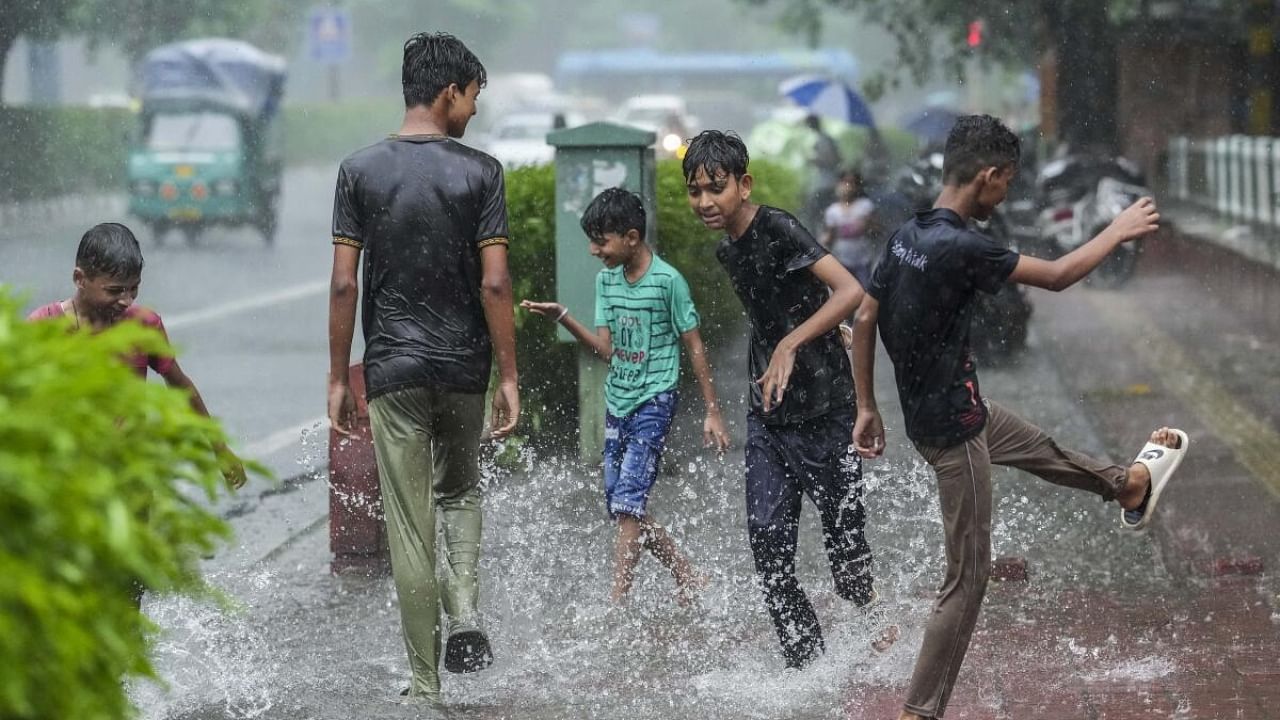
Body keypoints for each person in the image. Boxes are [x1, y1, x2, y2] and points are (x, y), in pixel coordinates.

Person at [849, 114, 1189, 720]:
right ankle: (917, 713)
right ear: (989, 175)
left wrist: (869, 405)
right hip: (953, 432)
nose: (1005, 194)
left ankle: (1128, 486)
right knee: (967, 580)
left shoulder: (907, 234)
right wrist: (1118, 230)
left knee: (1041, 447)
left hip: (950, 409)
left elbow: (867, 319)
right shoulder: (961, 246)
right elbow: (1057, 277)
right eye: (1006, 183)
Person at [326, 32, 519, 707]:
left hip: (393, 370)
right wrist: (510, 375)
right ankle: (465, 610)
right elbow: (495, 285)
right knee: (461, 492)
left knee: (411, 527)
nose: (473, 112)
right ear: (448, 92)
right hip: (463, 366)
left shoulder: (359, 171)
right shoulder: (481, 172)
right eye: (472, 98)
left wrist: (335, 376)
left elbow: (345, 286)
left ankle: (426, 685)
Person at [682, 130, 876, 670]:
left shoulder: (779, 227)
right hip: (768, 410)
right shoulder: (727, 250)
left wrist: (794, 342)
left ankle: (875, 621)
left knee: (846, 553)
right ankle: (803, 656)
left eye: (715, 188)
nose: (704, 203)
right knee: (767, 542)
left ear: (743, 185)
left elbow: (850, 291)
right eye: (694, 191)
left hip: (826, 404)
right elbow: (774, 311)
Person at [521, 187, 730, 606]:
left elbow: (694, 346)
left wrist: (712, 411)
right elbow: (606, 350)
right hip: (619, 400)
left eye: (602, 241)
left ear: (631, 238)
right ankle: (687, 575)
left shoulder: (668, 282)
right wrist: (563, 315)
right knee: (621, 505)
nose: (594, 250)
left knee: (630, 500)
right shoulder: (606, 282)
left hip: (656, 399)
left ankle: (617, 600)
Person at [27, 222, 248, 497]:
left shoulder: (144, 326)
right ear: (79, 279)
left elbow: (180, 386)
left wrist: (219, 448)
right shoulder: (44, 328)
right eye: (115, 290)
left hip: (132, 471)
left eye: (134, 289)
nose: (126, 300)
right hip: (68, 476)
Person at [821, 169, 879, 288]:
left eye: (852, 182)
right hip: (841, 259)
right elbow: (829, 237)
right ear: (838, 185)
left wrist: (867, 225)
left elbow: (877, 230)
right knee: (844, 290)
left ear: (858, 186)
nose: (848, 186)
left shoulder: (865, 205)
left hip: (862, 259)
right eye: (845, 182)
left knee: (865, 290)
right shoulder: (832, 211)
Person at [803, 114, 842, 232]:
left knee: (817, 211)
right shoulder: (825, 138)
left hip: (826, 181)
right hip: (827, 180)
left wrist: (813, 160)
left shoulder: (823, 139)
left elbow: (829, 160)